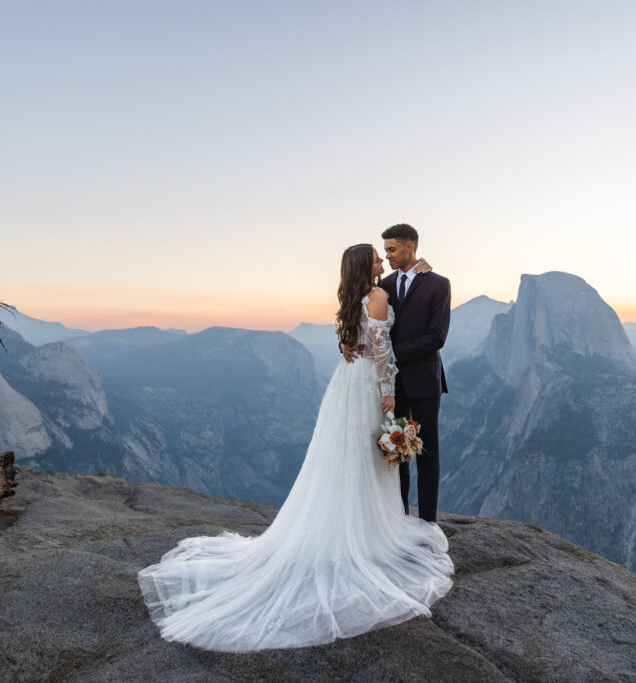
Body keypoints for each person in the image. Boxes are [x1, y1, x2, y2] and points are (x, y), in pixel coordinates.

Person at [137, 243, 453, 652]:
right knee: (364, 459)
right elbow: (380, 351)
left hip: (346, 385)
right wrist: (388, 394)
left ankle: (352, 525)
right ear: (366, 266)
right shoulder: (377, 294)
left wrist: (420, 271)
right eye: (377, 256)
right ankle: (367, 532)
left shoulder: (367, 291)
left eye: (386, 253)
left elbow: (373, 326)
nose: (382, 260)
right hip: (368, 385)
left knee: (347, 459)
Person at [342, 224, 450, 523]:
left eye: (391, 249)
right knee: (395, 454)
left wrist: (387, 356)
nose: (387, 255)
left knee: (428, 454)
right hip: (387, 384)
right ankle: (398, 519)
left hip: (424, 379)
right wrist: (347, 342)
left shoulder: (438, 284)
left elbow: (436, 337)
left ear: (409, 248)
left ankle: (428, 523)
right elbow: (359, 316)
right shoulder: (383, 285)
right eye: (384, 251)